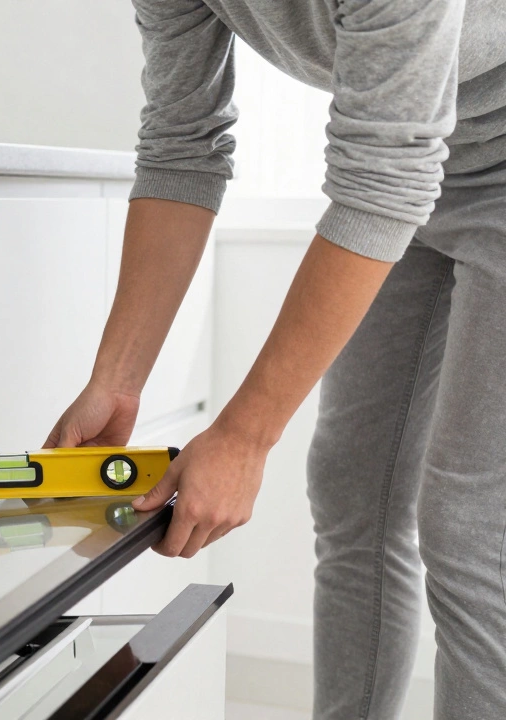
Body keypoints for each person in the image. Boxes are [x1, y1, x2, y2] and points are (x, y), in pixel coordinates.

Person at [43, 1, 506, 717]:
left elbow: (384, 180)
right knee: (353, 488)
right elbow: (181, 145)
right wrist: (117, 379)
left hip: (430, 170)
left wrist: (243, 437)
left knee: (468, 526)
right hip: (413, 163)